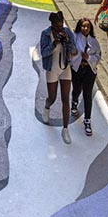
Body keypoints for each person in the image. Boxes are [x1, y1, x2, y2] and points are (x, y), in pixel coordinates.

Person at [39, 11, 77, 144]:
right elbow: (43, 53)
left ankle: (65, 129)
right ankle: (47, 106)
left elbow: (74, 51)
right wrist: (54, 43)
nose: (60, 27)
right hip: (52, 69)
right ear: (52, 24)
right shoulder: (45, 34)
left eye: (61, 24)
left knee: (66, 98)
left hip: (65, 68)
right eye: (57, 25)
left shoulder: (67, 32)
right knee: (53, 97)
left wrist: (67, 40)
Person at [70, 18, 102, 137]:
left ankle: (87, 120)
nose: (85, 28)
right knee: (77, 89)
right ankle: (74, 102)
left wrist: (88, 58)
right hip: (77, 69)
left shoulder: (94, 41)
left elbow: (98, 56)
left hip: (89, 70)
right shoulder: (74, 37)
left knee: (87, 94)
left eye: (87, 27)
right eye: (83, 26)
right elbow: (69, 51)